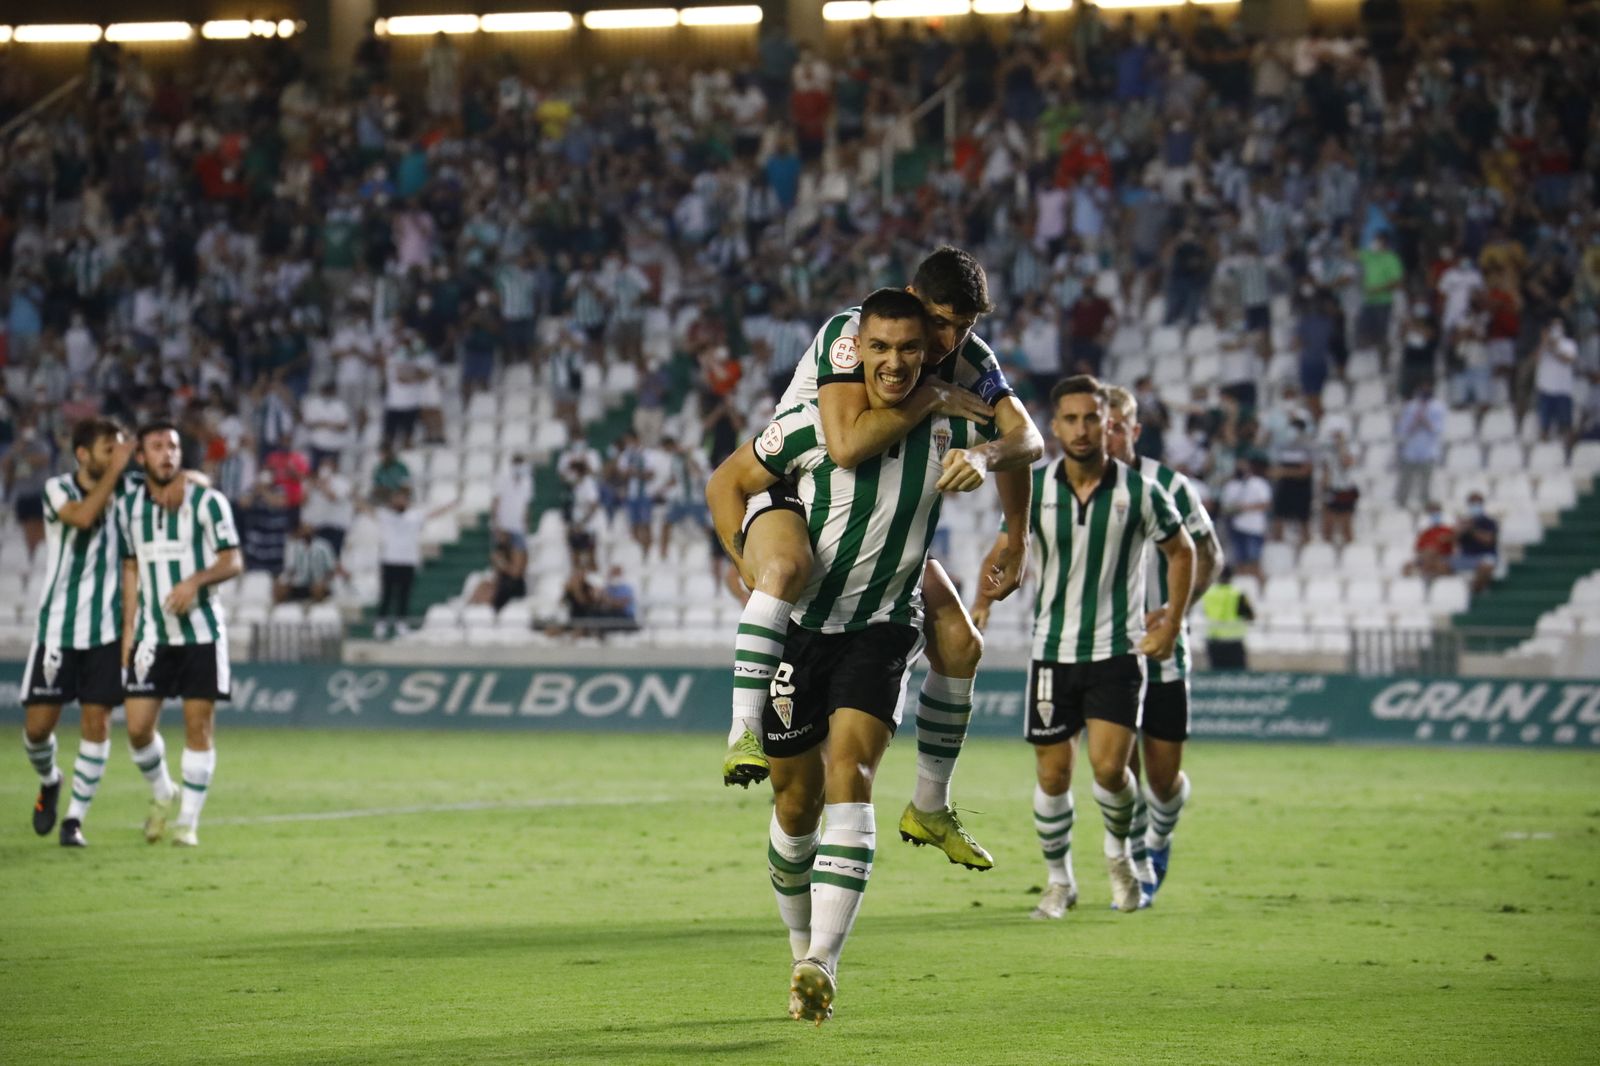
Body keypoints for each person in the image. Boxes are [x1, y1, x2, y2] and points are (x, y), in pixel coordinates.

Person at [705, 289, 997, 1024]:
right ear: (856, 351)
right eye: (881, 348)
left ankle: (821, 963)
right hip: (800, 631)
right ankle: (799, 947)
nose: (896, 362)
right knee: (794, 807)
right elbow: (726, 482)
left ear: (926, 351)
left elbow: (1014, 432)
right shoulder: (809, 426)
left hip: (880, 626)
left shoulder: (942, 426)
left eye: (910, 349)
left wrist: (985, 459)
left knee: (852, 777)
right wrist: (746, 560)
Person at [718, 248, 1044, 880]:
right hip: (795, 488)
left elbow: (1026, 439)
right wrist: (933, 399)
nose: (950, 340)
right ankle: (744, 727)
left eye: (965, 326)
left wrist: (1015, 527)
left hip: (874, 521)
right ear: (907, 299)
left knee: (959, 640)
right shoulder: (855, 335)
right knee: (797, 788)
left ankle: (930, 805)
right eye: (941, 321)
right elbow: (843, 446)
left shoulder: (964, 360)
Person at [971, 376, 1193, 920]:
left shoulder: (1140, 491)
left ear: (1107, 424)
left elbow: (1181, 552)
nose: (1082, 429)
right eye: (1070, 419)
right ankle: (1059, 880)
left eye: (1092, 419)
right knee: (1052, 775)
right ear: (1055, 425)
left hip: (1117, 653)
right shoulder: (1037, 488)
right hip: (1051, 652)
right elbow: (1005, 547)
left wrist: (1171, 623)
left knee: (1111, 770)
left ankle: (1120, 854)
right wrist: (981, 604)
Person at [1098, 385, 1223, 905]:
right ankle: (1131, 855)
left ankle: (1160, 834)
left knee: (1164, 779)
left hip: (1166, 650)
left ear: (1135, 430)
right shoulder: (1076, 485)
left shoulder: (1170, 485)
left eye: (1117, 425)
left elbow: (1209, 556)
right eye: (1100, 423)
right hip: (1106, 650)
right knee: (1114, 768)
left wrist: (1174, 613)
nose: (1107, 434)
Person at [117, 420, 244, 848]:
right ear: (141, 458)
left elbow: (233, 561)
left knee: (197, 728)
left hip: (201, 635)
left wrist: (196, 582)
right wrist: (128, 629)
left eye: (173, 446)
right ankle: (162, 791)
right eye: (156, 447)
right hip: (153, 635)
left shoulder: (207, 502)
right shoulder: (129, 507)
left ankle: (188, 822)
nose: (167, 454)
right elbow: (130, 567)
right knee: (136, 728)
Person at [19, 418, 136, 847]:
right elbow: (84, 517)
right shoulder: (58, 490)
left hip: (104, 633)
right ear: (84, 454)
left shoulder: (126, 490)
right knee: (36, 729)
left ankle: (74, 819)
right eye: (110, 448)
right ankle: (50, 780)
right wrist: (120, 472)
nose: (118, 455)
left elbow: (174, 483)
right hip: (57, 630)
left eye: (120, 447)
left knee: (97, 722)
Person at [372, 486, 457, 639]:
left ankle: (401, 623)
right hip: (390, 560)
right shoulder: (385, 516)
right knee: (387, 594)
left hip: (407, 561)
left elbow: (433, 514)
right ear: (392, 501)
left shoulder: (414, 517)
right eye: (396, 498)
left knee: (404, 595)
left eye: (402, 498)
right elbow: (367, 509)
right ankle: (381, 623)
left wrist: (450, 506)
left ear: (407, 501)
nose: (399, 501)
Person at [1394, 380, 1445, 511]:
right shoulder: (1411, 406)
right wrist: (1415, 422)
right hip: (1411, 451)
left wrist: (1425, 420)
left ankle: (1425, 504)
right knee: (1406, 479)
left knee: (1426, 482)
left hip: (1428, 451)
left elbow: (1438, 430)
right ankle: (1401, 503)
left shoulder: (1438, 407)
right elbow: (1402, 430)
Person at [1219, 456, 1271, 579]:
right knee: (1239, 560)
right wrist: (1234, 509)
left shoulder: (1259, 483)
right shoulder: (1231, 485)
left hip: (1254, 527)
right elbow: (1225, 507)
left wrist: (1245, 507)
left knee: (1254, 560)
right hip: (1237, 527)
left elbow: (1266, 504)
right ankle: (1243, 585)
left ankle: (1259, 589)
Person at [1533, 318, 1578, 442]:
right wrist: (1544, 342)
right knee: (1544, 425)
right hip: (1546, 389)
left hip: (1563, 389)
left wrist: (1553, 348)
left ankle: (1568, 452)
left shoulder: (1569, 344)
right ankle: (1544, 451)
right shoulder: (1543, 344)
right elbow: (1536, 359)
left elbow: (1567, 360)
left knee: (1565, 424)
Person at [1201, 565, 1253, 670]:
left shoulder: (1208, 594)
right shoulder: (1238, 593)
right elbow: (1250, 616)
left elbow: (1206, 612)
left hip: (1214, 641)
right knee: (1236, 676)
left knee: (1216, 676)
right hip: (1234, 642)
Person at [275, 525, 339, 604]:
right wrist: (284, 581)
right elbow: (290, 569)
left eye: (308, 528)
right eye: (303, 529)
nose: (306, 531)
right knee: (280, 589)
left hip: (318, 582)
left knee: (318, 589)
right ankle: (283, 613)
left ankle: (318, 611)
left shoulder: (323, 546)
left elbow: (331, 568)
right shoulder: (295, 547)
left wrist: (324, 581)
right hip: (299, 583)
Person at [1454, 492, 1499, 594]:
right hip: (1465, 557)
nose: (1475, 505)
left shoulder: (1489, 522)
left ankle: (1475, 590)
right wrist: (1460, 529)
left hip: (1485, 556)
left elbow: (1488, 540)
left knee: (1486, 566)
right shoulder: (1464, 522)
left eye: (1477, 503)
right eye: (1472, 503)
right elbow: (1453, 541)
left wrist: (1472, 529)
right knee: (1443, 565)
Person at [1404, 502, 1456, 579]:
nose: (1434, 514)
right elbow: (1418, 549)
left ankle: (1427, 574)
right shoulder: (1425, 532)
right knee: (1406, 567)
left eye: (1436, 512)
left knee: (1440, 564)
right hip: (1426, 558)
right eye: (1432, 512)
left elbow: (1455, 546)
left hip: (1443, 558)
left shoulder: (1448, 530)